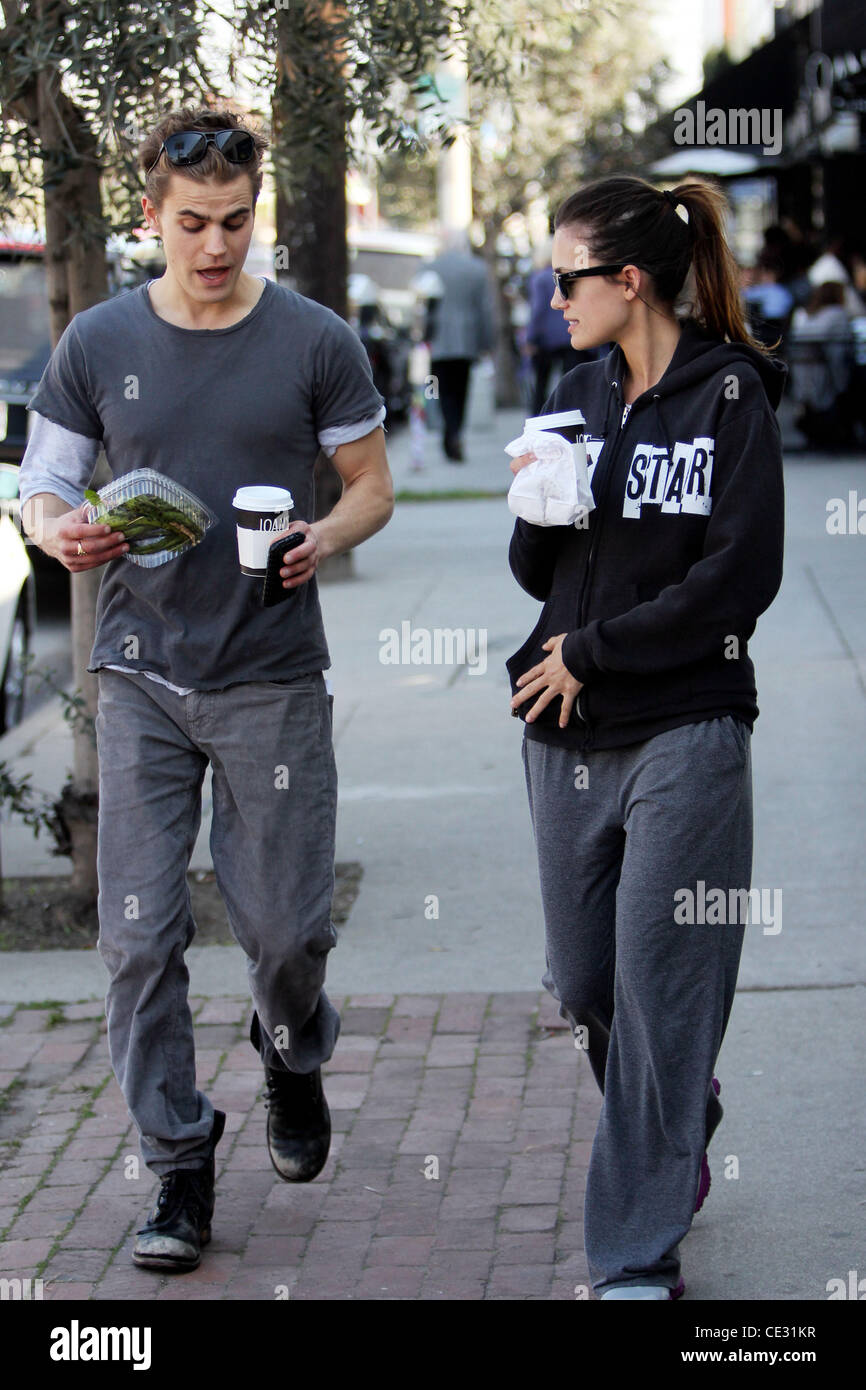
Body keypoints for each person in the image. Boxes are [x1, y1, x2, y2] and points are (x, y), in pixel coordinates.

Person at [18, 105, 394, 1273]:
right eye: (194, 223)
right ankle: (177, 1165)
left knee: (285, 931)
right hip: (138, 675)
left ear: (254, 213)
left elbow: (370, 484)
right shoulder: (96, 342)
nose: (217, 246)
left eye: (235, 221)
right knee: (137, 935)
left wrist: (322, 537)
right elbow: (42, 482)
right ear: (153, 215)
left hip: (272, 675)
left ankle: (291, 1053)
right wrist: (58, 531)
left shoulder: (314, 339)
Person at [506, 176, 786, 1300]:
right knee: (586, 985)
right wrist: (535, 505)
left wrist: (596, 650)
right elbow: (539, 574)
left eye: (567, 277)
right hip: (562, 727)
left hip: (686, 724)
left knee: (661, 985)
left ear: (627, 281)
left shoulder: (729, 399)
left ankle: (632, 1252)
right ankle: (681, 1111)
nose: (551, 296)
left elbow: (737, 580)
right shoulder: (573, 389)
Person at [415, 227, 496, 461]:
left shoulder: (429, 268)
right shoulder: (476, 269)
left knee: (440, 390)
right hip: (466, 340)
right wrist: (486, 343)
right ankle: (456, 432)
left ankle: (447, 431)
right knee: (461, 390)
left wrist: (420, 338)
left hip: (437, 341)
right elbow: (485, 310)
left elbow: (421, 308)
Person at [525, 238, 602, 415]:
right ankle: (575, 415)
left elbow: (537, 311)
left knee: (540, 383)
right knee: (574, 382)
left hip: (547, 340)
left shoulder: (540, 278)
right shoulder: (571, 275)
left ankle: (538, 420)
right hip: (572, 335)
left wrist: (530, 338)